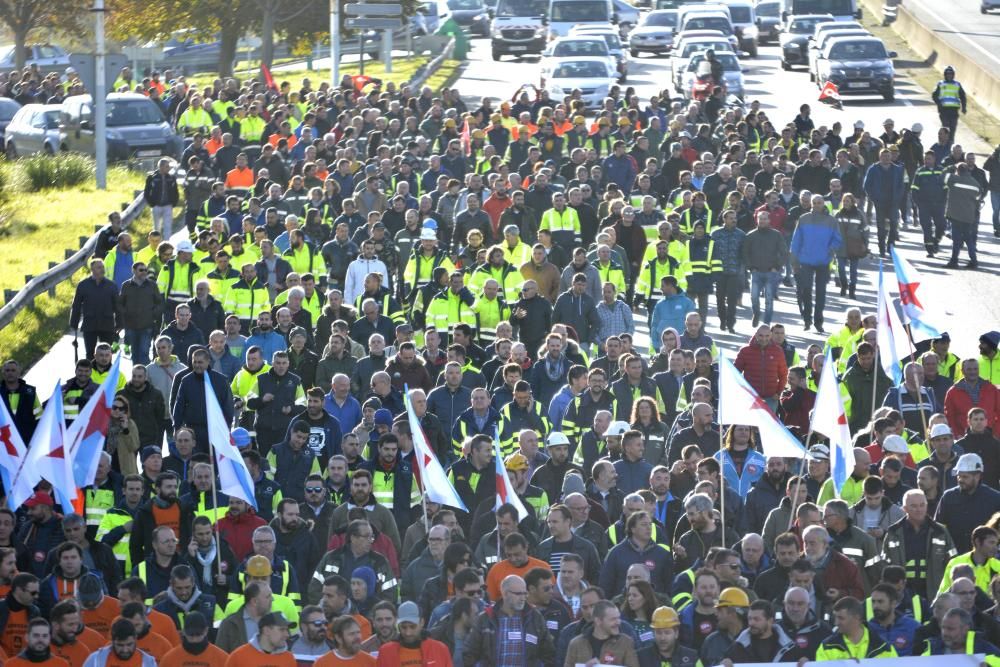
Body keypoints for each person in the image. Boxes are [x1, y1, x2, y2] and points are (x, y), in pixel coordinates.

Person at [790, 194, 842, 333]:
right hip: (805, 260)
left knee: (821, 293)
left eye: (819, 202)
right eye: (814, 202)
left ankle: (818, 321)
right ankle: (807, 319)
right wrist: (793, 260)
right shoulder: (804, 219)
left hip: (823, 262)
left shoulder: (831, 221)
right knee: (805, 290)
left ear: (823, 204)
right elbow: (796, 241)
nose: (817, 205)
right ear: (811, 204)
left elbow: (837, 239)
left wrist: (830, 250)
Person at [943, 163, 984, 269]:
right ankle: (974, 261)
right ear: (968, 171)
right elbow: (979, 196)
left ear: (958, 171)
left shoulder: (954, 179)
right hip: (969, 216)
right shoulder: (975, 183)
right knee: (968, 239)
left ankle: (954, 261)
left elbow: (942, 176)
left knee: (956, 240)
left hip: (956, 215)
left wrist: (950, 167)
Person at [932, 65, 967, 140]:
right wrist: (939, 104)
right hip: (944, 110)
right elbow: (934, 95)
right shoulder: (941, 84)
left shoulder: (957, 84)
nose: (949, 76)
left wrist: (964, 107)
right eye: (947, 74)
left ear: (953, 75)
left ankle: (950, 143)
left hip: (954, 111)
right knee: (945, 128)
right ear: (945, 75)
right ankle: (942, 142)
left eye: (951, 74)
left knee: (953, 128)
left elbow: (963, 96)